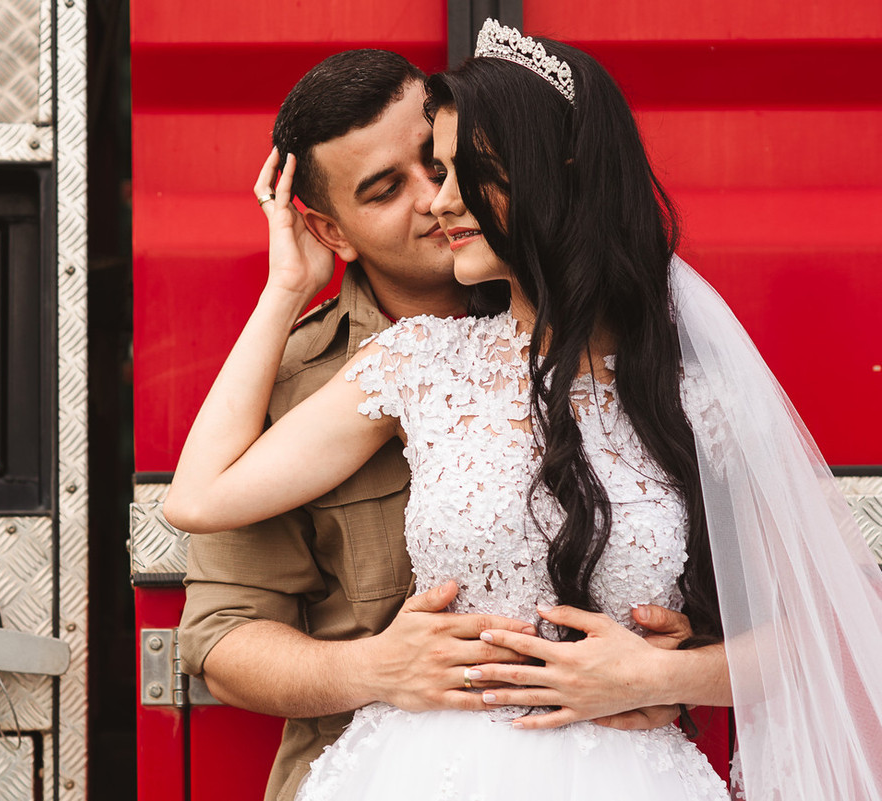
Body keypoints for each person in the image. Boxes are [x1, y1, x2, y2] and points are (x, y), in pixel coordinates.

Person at [167, 20, 882, 800]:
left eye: (452, 169)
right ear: (333, 229)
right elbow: (198, 504)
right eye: (393, 187)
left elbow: (822, 630)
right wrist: (284, 292)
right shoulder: (414, 362)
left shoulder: (691, 388)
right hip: (416, 771)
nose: (438, 201)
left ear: (554, 176)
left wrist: (666, 674)